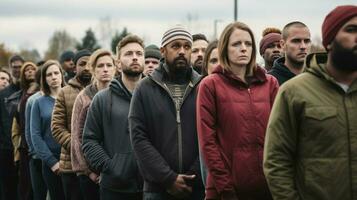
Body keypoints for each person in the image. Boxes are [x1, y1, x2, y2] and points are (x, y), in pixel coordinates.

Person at [263, 5, 357, 200]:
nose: (303, 46)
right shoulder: (293, 92)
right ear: (329, 41)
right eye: (351, 30)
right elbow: (276, 160)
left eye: (306, 41)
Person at [197, 21, 278, 200]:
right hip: (225, 190)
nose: (243, 49)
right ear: (225, 48)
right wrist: (226, 190)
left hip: (267, 189)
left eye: (248, 44)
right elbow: (208, 143)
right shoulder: (210, 85)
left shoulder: (270, 83)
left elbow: (280, 136)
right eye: (236, 44)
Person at [129, 26, 205, 200]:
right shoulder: (145, 88)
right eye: (176, 46)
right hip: (157, 189)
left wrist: (192, 177)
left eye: (187, 47)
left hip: (196, 188)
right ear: (163, 50)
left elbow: (211, 136)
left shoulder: (203, 87)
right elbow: (139, 137)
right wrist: (168, 178)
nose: (182, 52)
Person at [83, 36, 144, 199]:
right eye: (129, 53)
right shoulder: (102, 99)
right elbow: (89, 140)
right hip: (115, 189)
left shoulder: (154, 96)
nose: (135, 57)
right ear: (118, 63)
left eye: (139, 53)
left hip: (151, 187)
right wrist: (111, 167)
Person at [71, 49, 116, 200]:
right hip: (90, 173)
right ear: (93, 70)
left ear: (115, 68)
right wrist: (89, 172)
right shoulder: (83, 97)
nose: (105, 69)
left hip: (116, 170)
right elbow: (77, 138)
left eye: (109, 65)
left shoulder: (120, 94)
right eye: (100, 65)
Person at [51, 49, 91, 200]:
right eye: (82, 64)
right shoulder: (64, 92)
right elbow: (57, 127)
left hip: (95, 165)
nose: (86, 67)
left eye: (89, 63)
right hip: (70, 166)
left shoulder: (102, 91)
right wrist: (77, 147)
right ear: (75, 68)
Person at [31, 60, 65, 200]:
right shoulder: (38, 102)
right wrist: (52, 162)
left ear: (62, 75)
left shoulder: (72, 97)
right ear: (44, 79)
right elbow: (35, 135)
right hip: (52, 161)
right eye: (49, 74)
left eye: (56, 73)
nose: (54, 77)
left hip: (72, 159)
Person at [10, 61, 38, 200]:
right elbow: (16, 121)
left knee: (37, 184)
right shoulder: (20, 94)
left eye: (33, 69)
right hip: (23, 144)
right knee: (25, 183)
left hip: (37, 140)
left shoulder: (41, 91)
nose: (30, 72)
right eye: (27, 70)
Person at [0, 55, 24, 200]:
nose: (17, 70)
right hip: (6, 149)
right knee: (8, 189)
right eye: (14, 67)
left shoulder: (28, 92)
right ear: (10, 68)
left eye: (19, 66)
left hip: (24, 148)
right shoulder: (3, 94)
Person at [25, 66, 47, 200]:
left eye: (57, 73)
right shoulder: (33, 100)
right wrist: (35, 153)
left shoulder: (64, 95)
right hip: (38, 157)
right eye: (48, 75)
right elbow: (29, 131)